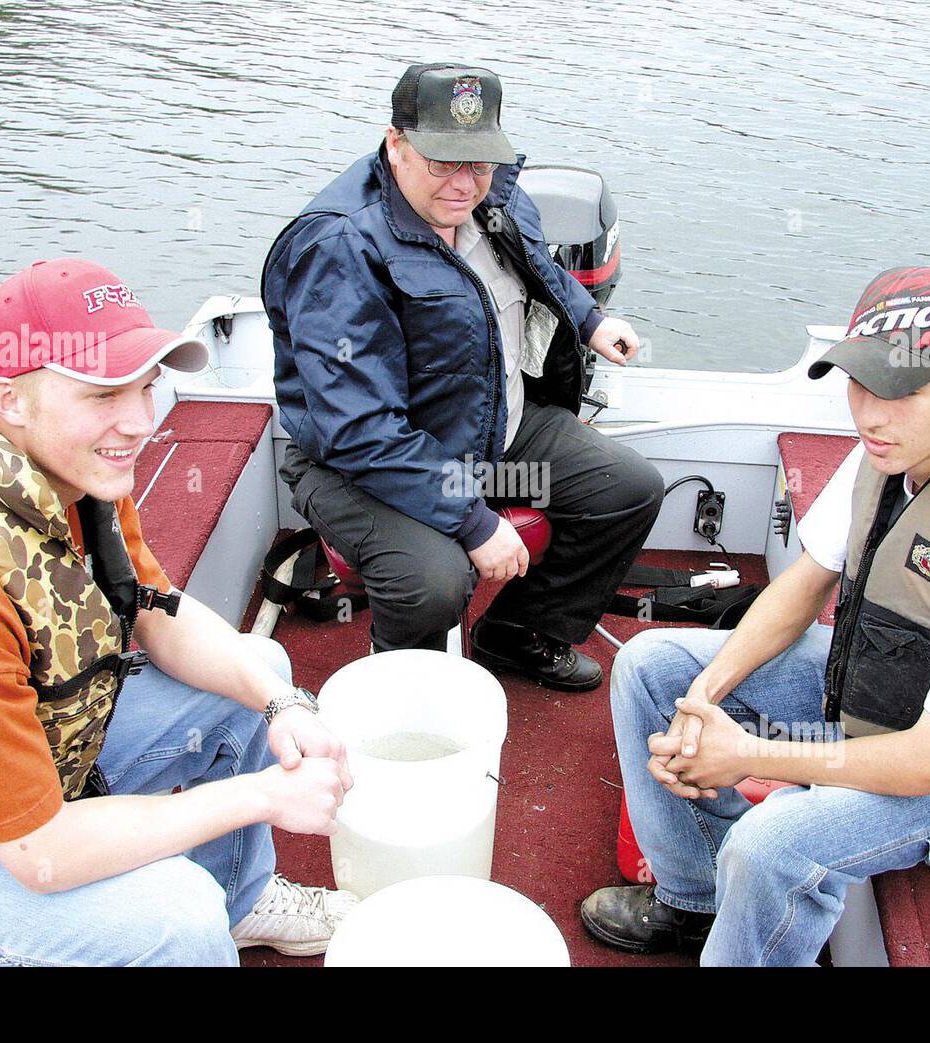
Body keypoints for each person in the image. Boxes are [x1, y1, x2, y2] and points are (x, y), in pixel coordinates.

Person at [581, 265, 930, 966]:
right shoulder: (894, 444)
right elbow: (804, 582)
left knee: (774, 843)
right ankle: (695, 900)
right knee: (648, 667)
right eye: (862, 383)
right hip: (884, 685)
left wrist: (744, 755)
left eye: (902, 390)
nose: (871, 412)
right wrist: (703, 702)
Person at [0, 258, 358, 967]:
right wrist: (263, 795)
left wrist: (284, 703)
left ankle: (237, 902)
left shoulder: (68, 461)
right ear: (12, 399)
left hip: (27, 767)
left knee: (259, 669)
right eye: (103, 394)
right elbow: (40, 854)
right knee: (173, 916)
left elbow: (155, 611)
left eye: (147, 386)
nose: (141, 421)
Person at [262, 63, 665, 691]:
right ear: (396, 143)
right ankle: (398, 692)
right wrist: (475, 522)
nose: (463, 183)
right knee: (434, 582)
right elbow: (358, 431)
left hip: (484, 429)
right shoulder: (339, 248)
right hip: (361, 465)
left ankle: (518, 631)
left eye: (478, 162)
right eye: (443, 161)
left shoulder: (493, 191)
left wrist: (587, 317)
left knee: (629, 489)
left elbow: (533, 263)